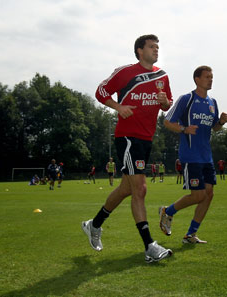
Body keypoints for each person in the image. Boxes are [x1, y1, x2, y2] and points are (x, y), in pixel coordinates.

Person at [81, 34, 173, 263]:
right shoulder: (125, 72)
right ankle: (149, 246)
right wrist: (118, 107)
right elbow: (101, 92)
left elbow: (167, 105)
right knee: (140, 189)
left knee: (125, 189)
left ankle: (94, 225)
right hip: (128, 137)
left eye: (157, 47)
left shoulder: (162, 76)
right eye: (152, 47)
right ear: (140, 50)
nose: (156, 50)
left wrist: (164, 101)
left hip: (147, 138)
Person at [159, 65, 227, 244]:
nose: (210, 79)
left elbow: (215, 128)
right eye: (207, 77)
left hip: (207, 157)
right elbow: (167, 121)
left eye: (212, 77)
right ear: (197, 79)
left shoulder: (212, 103)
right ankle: (168, 212)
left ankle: (190, 234)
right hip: (191, 155)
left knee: (209, 194)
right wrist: (184, 129)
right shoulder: (187, 99)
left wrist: (220, 121)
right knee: (198, 195)